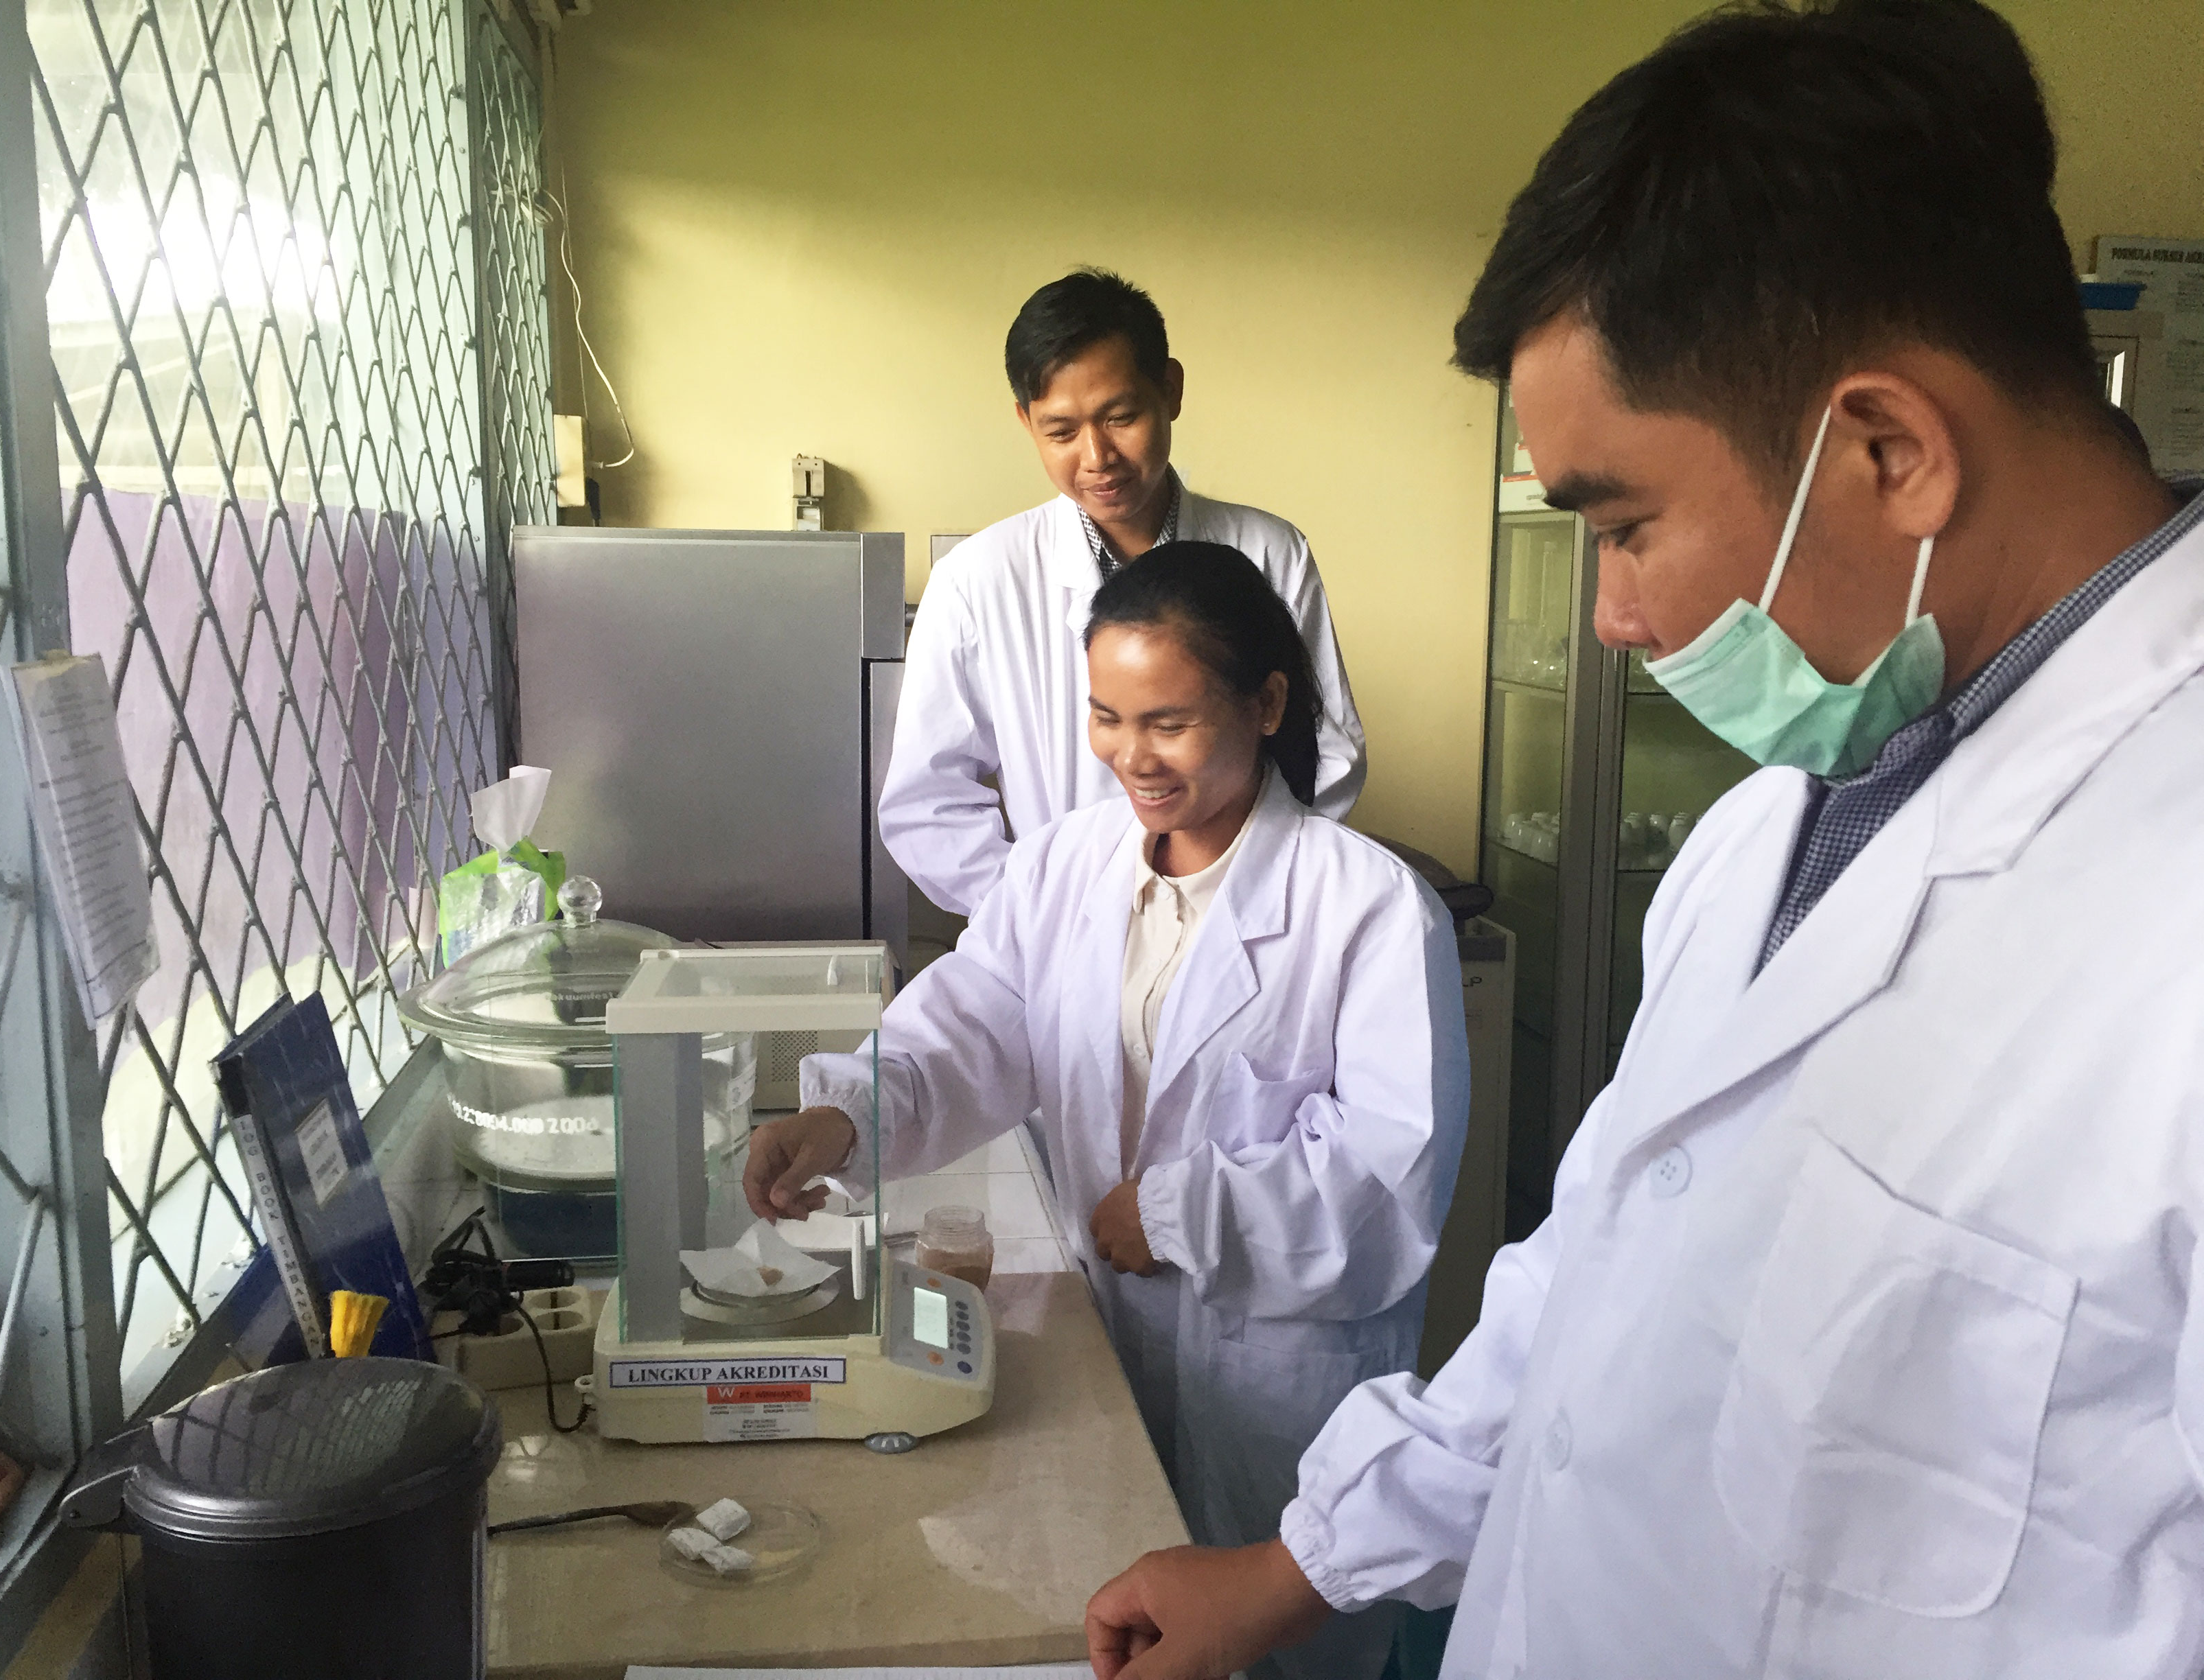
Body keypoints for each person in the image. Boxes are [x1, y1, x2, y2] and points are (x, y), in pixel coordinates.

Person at [1084, 3, 2204, 1678]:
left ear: (1890, 448)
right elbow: (1597, 1267)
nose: (1606, 616)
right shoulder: (1780, 825)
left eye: (1623, 522)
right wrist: (1300, 1562)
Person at [747, 545, 1466, 1680]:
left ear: (1265, 702)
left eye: (1168, 721)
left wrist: (1177, 1214)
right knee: (1120, 1621)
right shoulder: (1070, 864)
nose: (1130, 755)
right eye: (1104, 715)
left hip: (1273, 1382)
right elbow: (976, 1015)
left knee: (1267, 1649)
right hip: (1110, 1338)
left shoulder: (1368, 907)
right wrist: (844, 1114)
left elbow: (1384, 1177)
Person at [880, 270, 1368, 918]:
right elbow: (927, 801)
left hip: (1238, 911)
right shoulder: (977, 579)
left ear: (1170, 390)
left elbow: (1326, 748)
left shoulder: (1269, 551)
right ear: (1026, 422)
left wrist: (1225, 892)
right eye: (1060, 432)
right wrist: (1039, 914)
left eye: (1121, 416)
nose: (1096, 456)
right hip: (1059, 926)